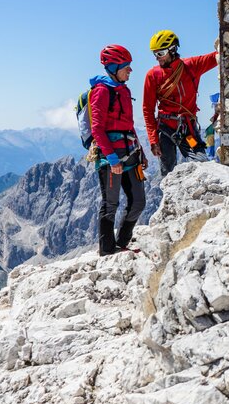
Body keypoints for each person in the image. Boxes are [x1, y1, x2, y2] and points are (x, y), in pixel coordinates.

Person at [90, 45, 147, 256]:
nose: (130, 71)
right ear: (114, 67)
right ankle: (106, 250)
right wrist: (113, 159)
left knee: (138, 202)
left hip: (130, 154)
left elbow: (129, 125)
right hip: (110, 158)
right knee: (110, 204)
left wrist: (140, 151)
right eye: (127, 67)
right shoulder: (101, 92)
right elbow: (97, 129)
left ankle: (122, 243)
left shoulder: (124, 90)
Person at [143, 30, 218, 176]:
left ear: (172, 49)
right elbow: (148, 109)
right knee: (167, 173)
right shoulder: (152, 75)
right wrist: (153, 141)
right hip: (165, 131)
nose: (157, 58)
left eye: (160, 53)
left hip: (187, 131)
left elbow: (216, 57)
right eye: (155, 54)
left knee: (201, 163)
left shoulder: (191, 66)